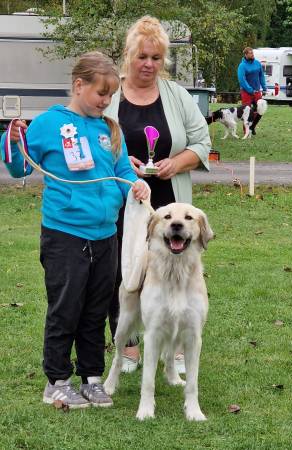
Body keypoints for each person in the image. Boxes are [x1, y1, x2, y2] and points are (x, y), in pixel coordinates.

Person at [0, 51, 149, 408]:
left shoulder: (108, 129)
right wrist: (13, 142)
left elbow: (123, 171)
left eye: (111, 95)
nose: (106, 102)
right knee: (66, 307)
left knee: (97, 309)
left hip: (104, 236)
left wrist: (134, 184)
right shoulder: (49, 124)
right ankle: (56, 380)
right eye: (101, 94)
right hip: (64, 236)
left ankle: (92, 378)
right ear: (78, 85)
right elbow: (20, 169)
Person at [105, 16, 211, 374]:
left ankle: (175, 350)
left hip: (168, 202)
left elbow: (202, 141)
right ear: (128, 56)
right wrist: (121, 163)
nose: (149, 64)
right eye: (142, 57)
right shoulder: (109, 95)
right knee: (123, 272)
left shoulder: (177, 95)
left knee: (175, 271)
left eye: (156, 57)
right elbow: (93, 145)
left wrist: (177, 163)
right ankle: (129, 347)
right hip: (119, 203)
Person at [237, 46, 267, 135]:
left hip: (257, 91)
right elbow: (242, 79)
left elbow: (261, 76)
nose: (252, 54)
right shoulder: (242, 66)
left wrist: (264, 87)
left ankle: (252, 126)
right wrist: (250, 90)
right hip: (246, 92)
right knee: (247, 112)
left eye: (252, 53)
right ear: (246, 55)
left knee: (261, 110)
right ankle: (246, 131)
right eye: (250, 53)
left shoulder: (257, 63)